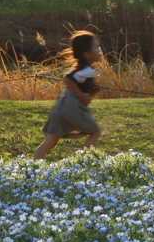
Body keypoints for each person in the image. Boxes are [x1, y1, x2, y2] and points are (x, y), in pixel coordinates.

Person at [33, 30, 103, 159]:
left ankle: (31, 166)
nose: (99, 51)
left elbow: (84, 97)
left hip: (62, 106)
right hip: (72, 108)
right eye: (96, 47)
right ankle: (86, 161)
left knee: (51, 140)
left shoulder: (84, 70)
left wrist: (93, 92)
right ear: (87, 54)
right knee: (95, 132)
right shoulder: (86, 70)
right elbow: (68, 78)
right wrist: (82, 95)